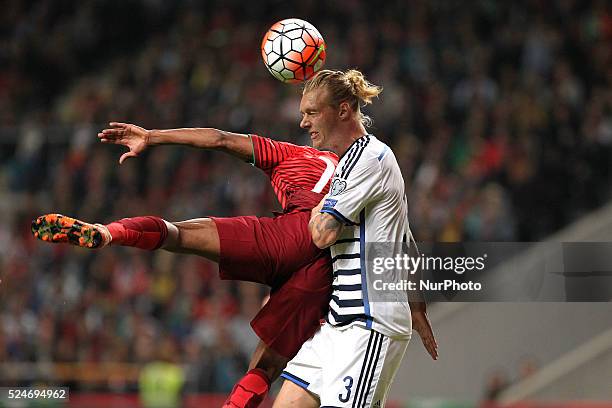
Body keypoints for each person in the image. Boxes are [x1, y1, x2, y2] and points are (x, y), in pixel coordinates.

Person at [32, 123, 338, 408]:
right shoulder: (356, 175)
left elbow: (219, 139)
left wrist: (152, 137)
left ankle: (108, 232)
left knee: (178, 234)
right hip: (325, 267)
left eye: (309, 114)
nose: (304, 122)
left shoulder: (294, 153)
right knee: (266, 366)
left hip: (294, 229)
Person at [273, 69, 438, 407]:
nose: (303, 123)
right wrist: (417, 305)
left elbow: (322, 235)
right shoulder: (361, 160)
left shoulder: (367, 159)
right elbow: (404, 240)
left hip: (368, 324)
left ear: (344, 110)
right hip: (339, 321)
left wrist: (314, 200)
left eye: (312, 112)